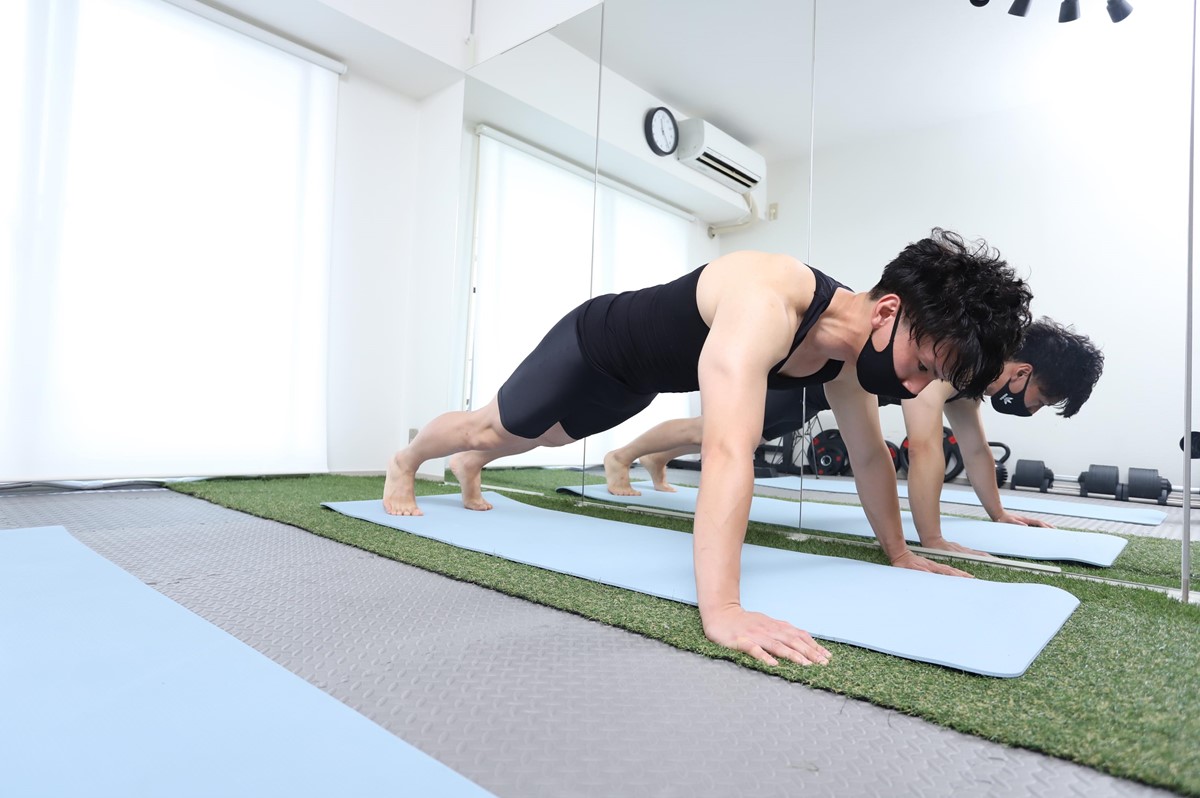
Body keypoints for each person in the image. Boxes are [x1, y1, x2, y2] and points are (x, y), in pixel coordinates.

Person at [383, 229, 1032, 667]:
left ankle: (471, 466)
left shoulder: (846, 356)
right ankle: (408, 461)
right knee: (493, 427)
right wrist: (723, 610)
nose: (914, 389)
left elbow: (868, 457)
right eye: (921, 366)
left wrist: (900, 554)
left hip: (637, 382)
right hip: (591, 345)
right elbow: (726, 451)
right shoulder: (769, 299)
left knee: (541, 436)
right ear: (888, 312)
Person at [603, 318, 1104, 557]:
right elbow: (923, 446)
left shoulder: (972, 382)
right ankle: (622, 455)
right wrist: (931, 540)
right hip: (813, 381)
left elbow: (974, 449)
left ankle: (656, 460)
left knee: (740, 435)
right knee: (716, 431)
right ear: (1023, 371)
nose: (1032, 409)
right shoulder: (956, 361)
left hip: (837, 394)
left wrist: (999, 514)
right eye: (1040, 398)